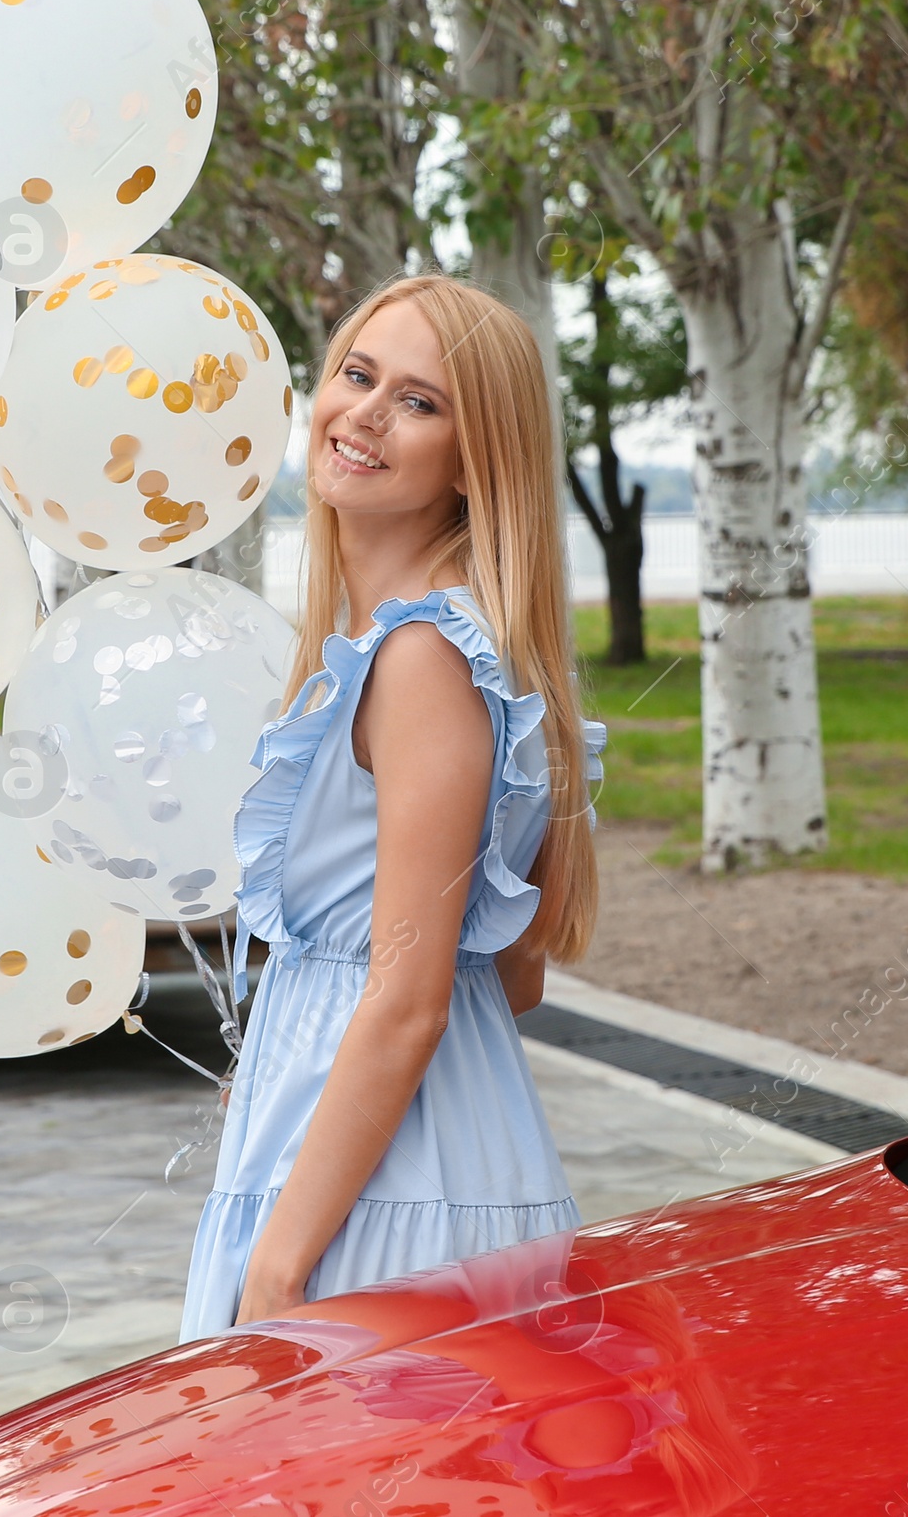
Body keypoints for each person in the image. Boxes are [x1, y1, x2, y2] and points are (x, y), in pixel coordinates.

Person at [180, 273, 604, 1340]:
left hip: (379, 1202)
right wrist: (296, 1039)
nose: (365, 412)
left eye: (419, 400)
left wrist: (280, 1266)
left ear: (477, 460)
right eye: (357, 375)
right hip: (406, 1151)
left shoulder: (422, 657)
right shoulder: (448, 644)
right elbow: (510, 971)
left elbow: (413, 997)